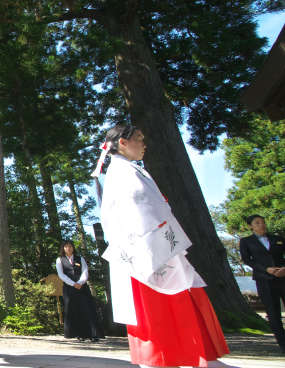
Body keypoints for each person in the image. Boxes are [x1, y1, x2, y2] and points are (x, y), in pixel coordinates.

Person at [95, 124, 229, 367]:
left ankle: (179, 355)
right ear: (122, 143)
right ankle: (167, 357)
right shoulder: (123, 173)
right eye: (139, 139)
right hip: (147, 249)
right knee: (160, 308)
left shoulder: (129, 170)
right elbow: (138, 208)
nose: (144, 144)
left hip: (157, 244)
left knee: (171, 303)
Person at [239, 214, 285, 353]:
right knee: (273, 313)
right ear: (251, 226)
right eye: (257, 222)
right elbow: (248, 260)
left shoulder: (278, 239)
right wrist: (266, 269)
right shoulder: (246, 241)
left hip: (283, 277)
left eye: (263, 222)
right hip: (264, 280)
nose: (261, 225)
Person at [55, 240, 101, 342]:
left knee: (87, 309)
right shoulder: (60, 260)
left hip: (82, 287)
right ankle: (79, 334)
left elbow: (85, 271)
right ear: (63, 248)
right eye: (66, 247)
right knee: (73, 310)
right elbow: (61, 274)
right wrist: (73, 284)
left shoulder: (80, 259)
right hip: (69, 288)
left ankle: (93, 334)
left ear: (73, 248)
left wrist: (80, 282)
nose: (68, 248)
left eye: (70, 246)